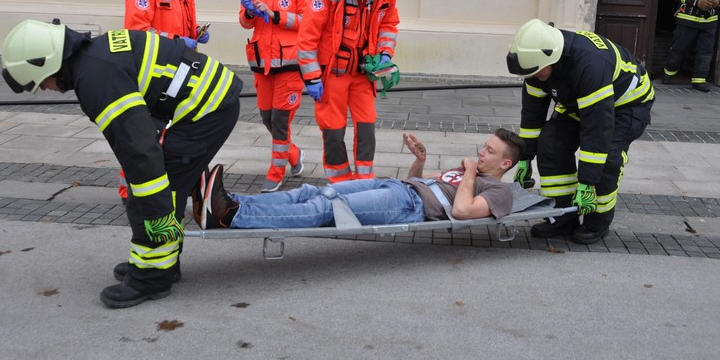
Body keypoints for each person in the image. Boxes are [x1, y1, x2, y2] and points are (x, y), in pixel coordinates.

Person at [0, 20, 243, 308]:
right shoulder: (93, 60)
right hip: (207, 102)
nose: (45, 88)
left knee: (156, 190)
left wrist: (154, 206)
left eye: (40, 82)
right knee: (150, 187)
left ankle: (153, 277)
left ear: (46, 64)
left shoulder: (95, 78)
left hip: (207, 111)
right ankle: (158, 262)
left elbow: (138, 148)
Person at [506, 19, 655, 244]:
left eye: (537, 73)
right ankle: (562, 216)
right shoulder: (537, 66)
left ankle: (597, 222)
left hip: (626, 105)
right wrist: (524, 157)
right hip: (579, 101)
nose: (535, 77)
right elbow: (532, 116)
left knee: (607, 158)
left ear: (551, 57)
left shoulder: (590, 65)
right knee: (551, 143)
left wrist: (587, 181)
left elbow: (597, 129)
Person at [198, 129, 522, 230]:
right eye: (483, 147)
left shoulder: (497, 191)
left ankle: (231, 216)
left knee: (326, 210)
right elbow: (422, 183)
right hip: (398, 188)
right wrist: (419, 161)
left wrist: (468, 172)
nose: (481, 153)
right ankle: (235, 201)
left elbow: (463, 211)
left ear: (505, 163)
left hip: (406, 206)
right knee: (314, 191)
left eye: (489, 152)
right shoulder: (471, 174)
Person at [297, 0, 401, 183]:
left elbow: (389, 24)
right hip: (333, 73)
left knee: (367, 127)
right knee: (333, 131)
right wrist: (311, 77)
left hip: (364, 72)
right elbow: (307, 36)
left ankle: (364, 180)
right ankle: (339, 181)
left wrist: (385, 55)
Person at [118, 0, 211, 202]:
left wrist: (195, 33)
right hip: (151, 73)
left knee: (174, 131)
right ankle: (130, 190)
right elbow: (137, 33)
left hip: (175, 71)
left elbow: (176, 25)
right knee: (144, 136)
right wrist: (178, 41)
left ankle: (164, 183)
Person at [240, 0, 313, 192]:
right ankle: (294, 155)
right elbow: (245, 23)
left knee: (281, 122)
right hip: (262, 62)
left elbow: (308, 21)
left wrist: (275, 15)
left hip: (290, 64)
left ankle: (276, 171)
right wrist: (249, 12)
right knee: (267, 119)